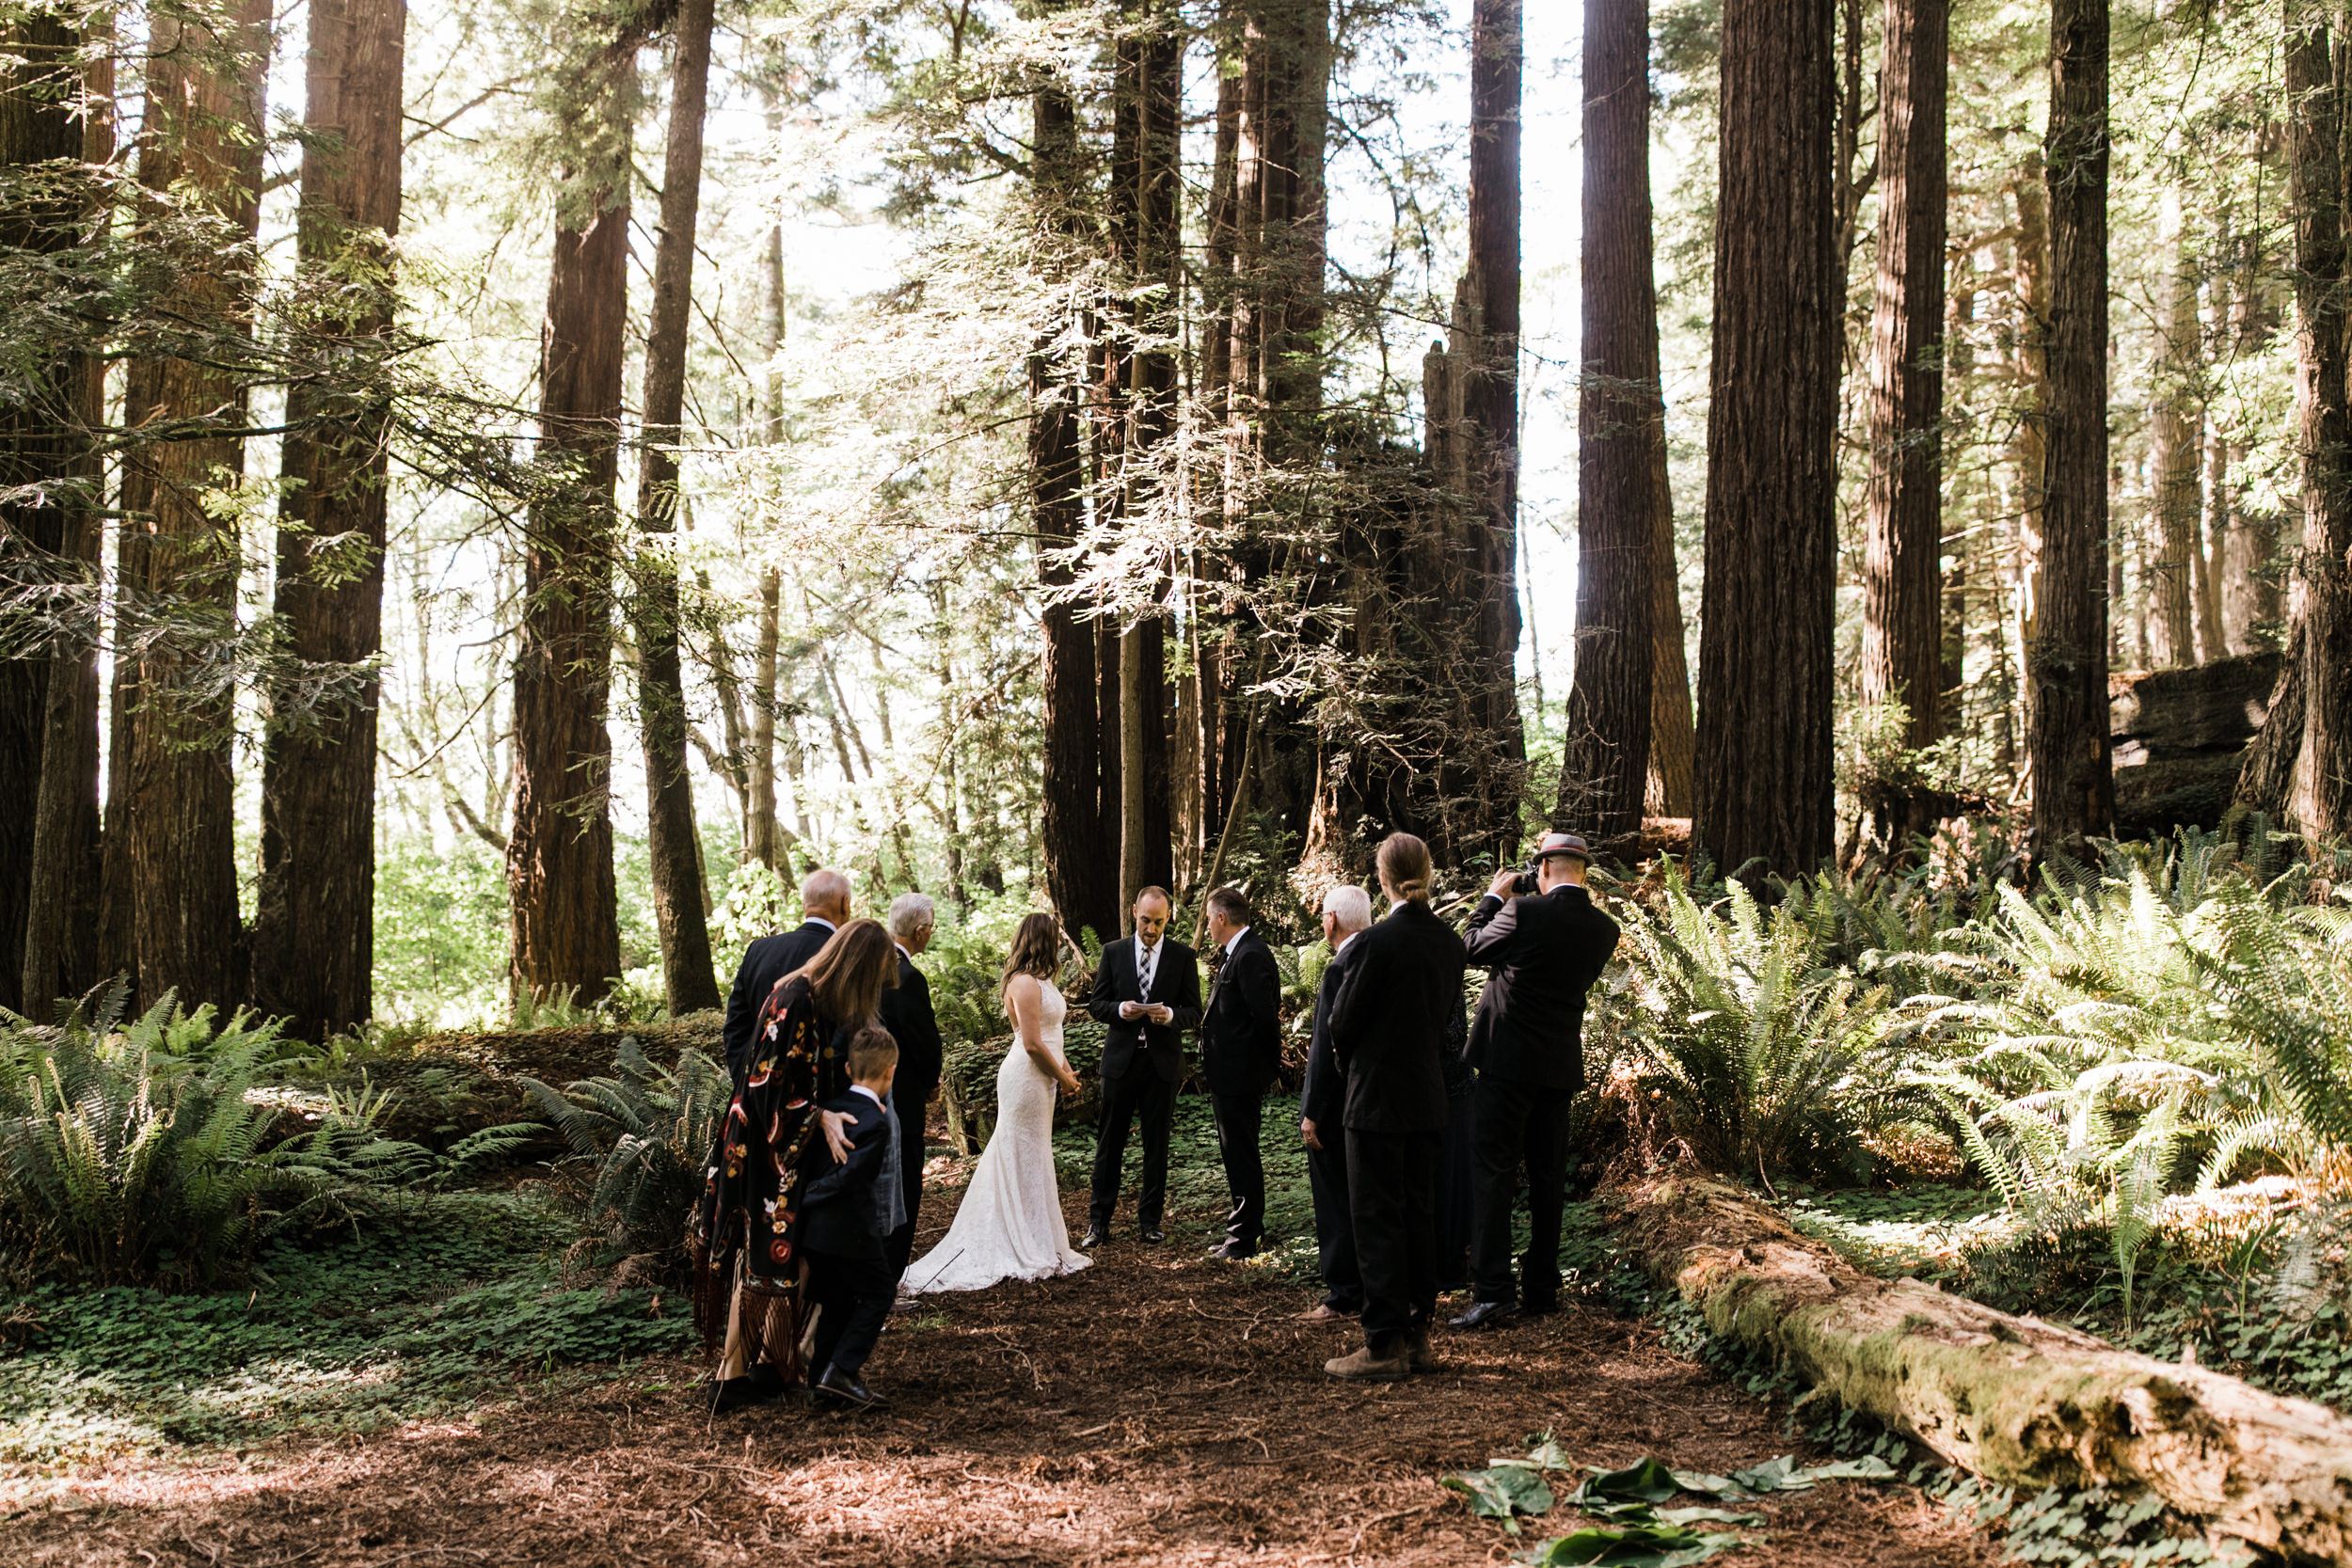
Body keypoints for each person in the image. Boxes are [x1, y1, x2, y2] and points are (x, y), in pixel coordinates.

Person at [693, 917, 898, 1414]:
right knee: (763, 1256)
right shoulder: (796, 999)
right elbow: (767, 1086)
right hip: (762, 1150)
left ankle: (764, 1365)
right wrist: (819, 1114)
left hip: (783, 1148)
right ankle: (730, 1375)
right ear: (856, 968)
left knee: (783, 1257)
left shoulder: (814, 998)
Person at [1450, 832, 1622, 1330]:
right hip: (1559, 1066)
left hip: (1505, 1064)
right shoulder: (1603, 929)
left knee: (1493, 1173)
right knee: (1548, 1179)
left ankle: (1493, 1291)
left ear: (1543, 869)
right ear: (1582, 873)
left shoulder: (1523, 913)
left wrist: (1491, 899)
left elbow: (1468, 948)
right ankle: (1543, 1289)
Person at [1321, 834, 1466, 1380]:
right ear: (1426, 874)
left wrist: (1351, 1065)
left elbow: (1342, 1022)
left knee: (1377, 1219)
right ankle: (1419, 1337)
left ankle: (1382, 1346)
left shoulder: (1375, 943)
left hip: (1376, 1101)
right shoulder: (1451, 944)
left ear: (1382, 880)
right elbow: (1449, 1027)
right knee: (1418, 1216)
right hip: (1427, 1098)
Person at [903, 913, 1092, 1292]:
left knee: (1036, 1152)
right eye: (1053, 938)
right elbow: (1032, 1043)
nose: (1058, 944)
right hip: (1026, 1077)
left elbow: (1054, 1036)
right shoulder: (1022, 983)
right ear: (1040, 940)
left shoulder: (1044, 982)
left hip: (1047, 1075)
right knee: (1017, 1150)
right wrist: (1060, 1075)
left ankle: (1040, 1237)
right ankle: (1014, 1238)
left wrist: (1067, 1074)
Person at [1083, 885, 1202, 1247]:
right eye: (1146, 921)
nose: (1151, 930)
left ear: (1169, 919)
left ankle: (1150, 1221)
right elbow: (1096, 1004)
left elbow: (1195, 1013)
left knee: (1157, 1146)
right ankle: (1098, 1223)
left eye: (1159, 923)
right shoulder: (1113, 952)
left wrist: (1169, 1016)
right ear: (1134, 911)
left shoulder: (1183, 956)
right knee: (1109, 1145)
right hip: (1120, 1062)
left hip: (1161, 1066)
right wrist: (1120, 1010)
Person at [796, 1025, 907, 1411]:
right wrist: (806, 1197)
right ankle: (842, 1369)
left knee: (837, 1302)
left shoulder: (828, 1110)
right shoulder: (876, 1123)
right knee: (880, 1292)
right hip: (850, 1233)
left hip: (816, 1236)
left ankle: (819, 1383)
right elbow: (851, 1179)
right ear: (890, 1072)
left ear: (847, 1070)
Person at [1296, 883, 1373, 1323]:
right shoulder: (1382, 959)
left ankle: (1343, 1293)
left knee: (1335, 1199)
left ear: (1332, 920)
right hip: (1379, 1101)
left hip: (1339, 1105)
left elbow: (1326, 1049)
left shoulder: (1339, 967)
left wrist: (1312, 1112)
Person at [1198, 885, 1281, 1261]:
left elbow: (1265, 1018)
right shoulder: (1239, 953)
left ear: (1221, 917)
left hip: (1240, 1076)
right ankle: (1242, 1231)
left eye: (1208, 919)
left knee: (1242, 1153)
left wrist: (1267, 1066)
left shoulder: (1250, 955)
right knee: (1236, 1154)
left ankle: (1245, 1237)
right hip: (1230, 1075)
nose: (1207, 927)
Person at [722, 867, 852, 1082]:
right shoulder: (849, 955)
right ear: (845, 904)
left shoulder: (758, 950)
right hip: (828, 1101)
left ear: (804, 905)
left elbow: (736, 1028)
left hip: (760, 1094)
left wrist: (750, 1085)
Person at [880, 893, 944, 1291]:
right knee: (904, 1187)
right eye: (931, 929)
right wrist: (932, 1082)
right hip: (901, 1098)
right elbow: (923, 1041)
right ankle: (891, 1282)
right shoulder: (908, 976)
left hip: (863, 1094)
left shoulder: (867, 964)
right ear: (920, 932)